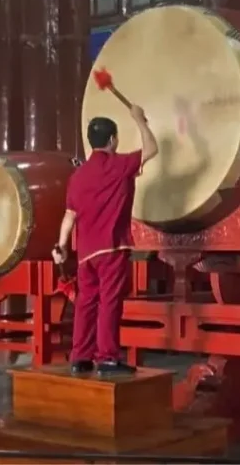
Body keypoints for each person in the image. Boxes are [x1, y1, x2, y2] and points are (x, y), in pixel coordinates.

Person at [53, 105, 158, 376]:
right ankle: (108, 357)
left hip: (86, 254)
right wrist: (139, 120)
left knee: (86, 303)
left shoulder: (77, 177)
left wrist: (61, 245)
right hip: (111, 247)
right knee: (110, 302)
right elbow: (152, 149)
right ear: (113, 140)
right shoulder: (119, 165)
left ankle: (80, 357)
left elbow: (69, 215)